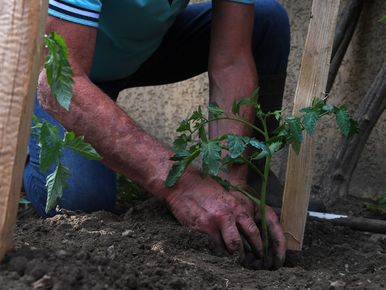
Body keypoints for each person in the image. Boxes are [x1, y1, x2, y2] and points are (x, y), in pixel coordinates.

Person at [24, 0, 290, 269]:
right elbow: (60, 82)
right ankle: (16, 148)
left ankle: (245, 207)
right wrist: (184, 185)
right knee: (80, 199)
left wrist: (232, 182)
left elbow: (232, 61)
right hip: (47, 68)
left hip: (133, 50)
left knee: (267, 21)